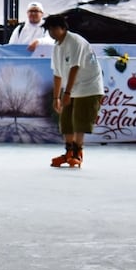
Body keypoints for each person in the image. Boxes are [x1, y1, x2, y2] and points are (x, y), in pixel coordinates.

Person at [44, 14, 104, 168]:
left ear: (63, 28)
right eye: (49, 29)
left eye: (54, 28)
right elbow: (57, 74)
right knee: (66, 121)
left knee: (79, 121)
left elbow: (74, 68)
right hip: (72, 88)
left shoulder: (75, 41)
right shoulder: (57, 47)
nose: (52, 32)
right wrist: (56, 97)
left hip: (89, 87)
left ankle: (78, 153)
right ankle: (68, 152)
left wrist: (67, 93)